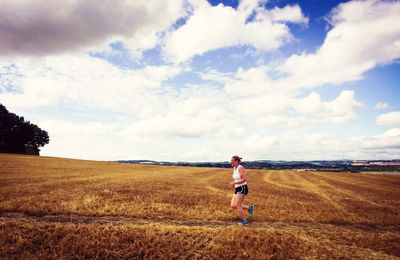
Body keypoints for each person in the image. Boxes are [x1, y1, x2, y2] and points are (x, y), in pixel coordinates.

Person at [230, 155, 254, 226]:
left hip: (242, 187)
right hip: (237, 188)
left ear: (236, 161)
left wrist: (234, 183)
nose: (231, 162)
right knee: (233, 205)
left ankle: (244, 221)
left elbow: (244, 179)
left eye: (232, 161)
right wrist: (235, 184)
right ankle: (249, 207)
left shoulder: (240, 168)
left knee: (238, 205)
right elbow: (237, 178)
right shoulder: (235, 168)